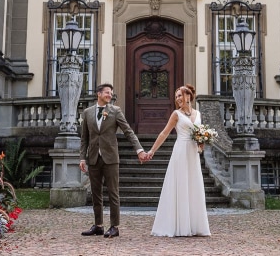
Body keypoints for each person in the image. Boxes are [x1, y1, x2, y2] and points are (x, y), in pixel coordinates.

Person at [79, 82, 148, 239]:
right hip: (94, 158)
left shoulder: (115, 111)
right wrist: (82, 158)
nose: (110, 95)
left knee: (113, 193)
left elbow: (128, 131)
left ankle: (114, 227)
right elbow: (84, 138)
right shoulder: (88, 113)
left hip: (111, 158)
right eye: (107, 93)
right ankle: (98, 226)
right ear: (99, 94)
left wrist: (139, 150)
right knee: (96, 194)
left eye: (111, 93)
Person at [147, 84, 211, 237]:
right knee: (180, 185)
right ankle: (178, 225)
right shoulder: (176, 114)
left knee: (193, 186)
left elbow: (199, 136)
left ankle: (195, 225)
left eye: (180, 95)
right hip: (180, 152)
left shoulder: (198, 114)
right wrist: (152, 151)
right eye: (176, 97)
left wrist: (201, 144)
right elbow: (164, 133)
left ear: (188, 96)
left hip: (193, 154)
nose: (178, 99)